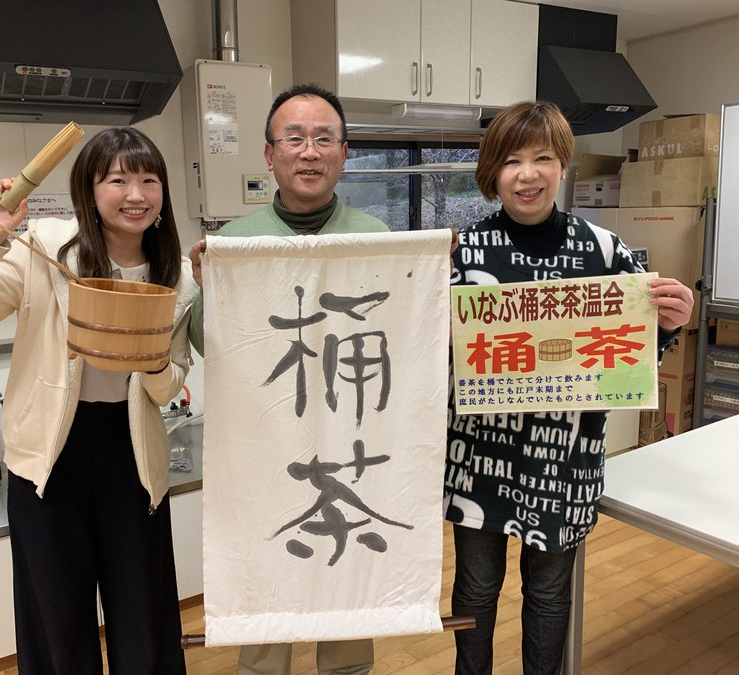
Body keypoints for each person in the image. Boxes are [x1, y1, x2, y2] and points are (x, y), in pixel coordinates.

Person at [0, 127, 196, 674]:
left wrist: (154, 364)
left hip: (133, 458)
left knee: (143, 619)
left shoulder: (178, 276)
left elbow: (169, 387)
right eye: (117, 180)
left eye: (149, 180)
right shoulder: (44, 251)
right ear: (89, 192)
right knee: (57, 627)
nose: (136, 195)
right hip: (48, 459)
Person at [444, 100, 694, 674]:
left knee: (550, 594)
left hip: (565, 457)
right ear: (492, 172)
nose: (526, 174)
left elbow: (629, 362)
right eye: (511, 161)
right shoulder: (462, 254)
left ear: (563, 165)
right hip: (479, 454)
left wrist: (666, 326)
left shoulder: (605, 252)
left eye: (542, 158)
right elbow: (433, 357)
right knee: (475, 591)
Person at [187, 83, 387, 675]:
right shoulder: (235, 241)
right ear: (269, 154)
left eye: (324, 138)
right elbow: (206, 343)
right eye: (294, 138)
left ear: (344, 153)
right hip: (265, 445)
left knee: (345, 567)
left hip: (352, 439)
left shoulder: (378, 238)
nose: (309, 151)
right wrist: (206, 288)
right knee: (266, 573)